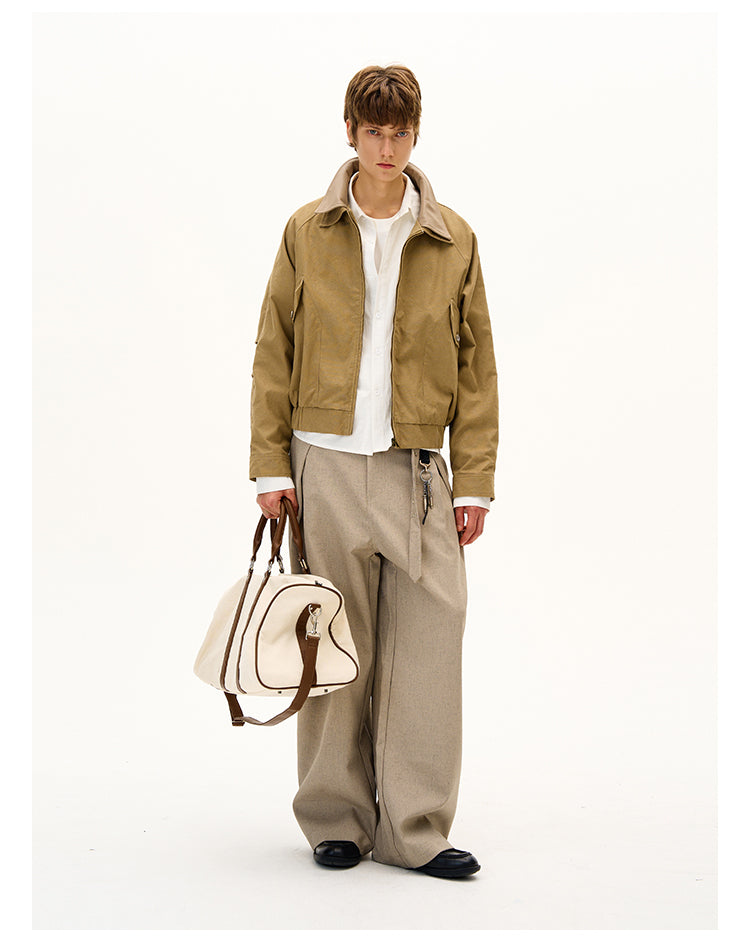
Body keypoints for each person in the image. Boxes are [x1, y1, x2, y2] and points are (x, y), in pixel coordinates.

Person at [248, 64, 498, 879]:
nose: (386, 147)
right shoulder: (307, 230)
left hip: (415, 469)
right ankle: (336, 820)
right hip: (322, 464)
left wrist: (473, 481)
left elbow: (478, 369)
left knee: (430, 645)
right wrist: (269, 468)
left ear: (415, 135)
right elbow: (274, 349)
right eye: (373, 131)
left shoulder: (454, 239)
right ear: (350, 133)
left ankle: (415, 829)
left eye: (399, 133)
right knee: (331, 643)